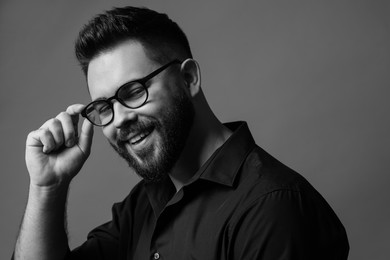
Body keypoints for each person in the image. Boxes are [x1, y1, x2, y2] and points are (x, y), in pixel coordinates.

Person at [13, 6, 349, 260]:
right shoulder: (143, 205)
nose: (118, 120)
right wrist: (48, 188)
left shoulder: (272, 208)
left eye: (132, 92)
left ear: (189, 79)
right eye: (104, 107)